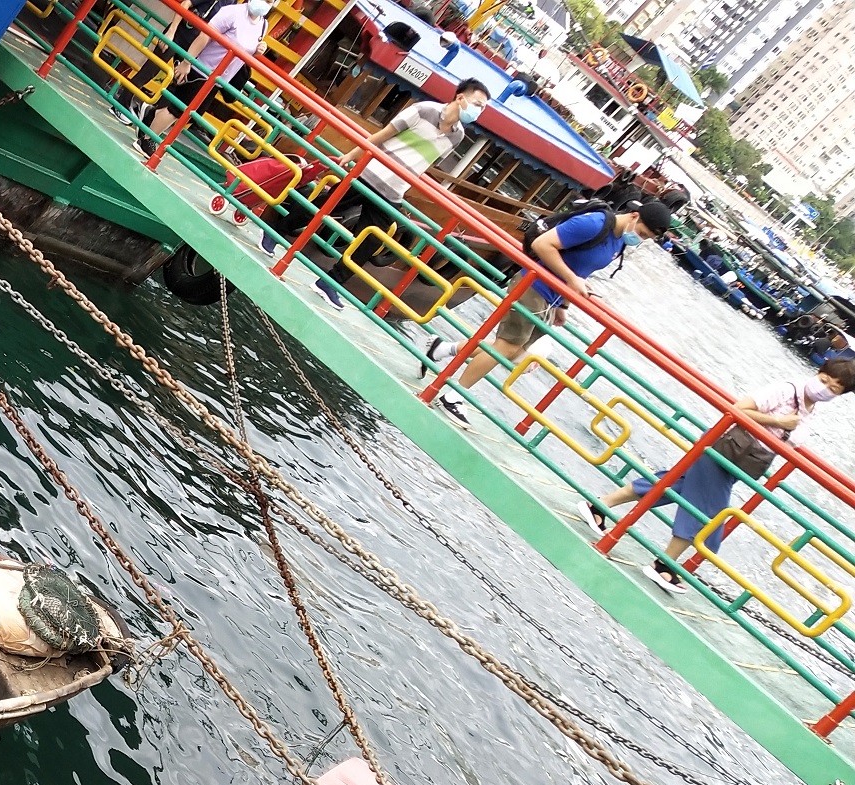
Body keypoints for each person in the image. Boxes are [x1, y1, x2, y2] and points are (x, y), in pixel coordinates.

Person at [582, 359, 854, 593]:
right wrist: (779, 422)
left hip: (740, 460)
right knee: (709, 512)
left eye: (834, 388)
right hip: (723, 448)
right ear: (816, 371)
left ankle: (599, 505)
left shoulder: (810, 410)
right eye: (824, 379)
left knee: (673, 485)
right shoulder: (786, 391)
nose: (825, 388)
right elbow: (738, 409)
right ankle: (664, 564)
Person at [421, 200, 673, 425]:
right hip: (533, 285)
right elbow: (544, 244)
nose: (640, 239)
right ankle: (453, 396)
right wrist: (570, 279)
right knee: (507, 346)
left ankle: (442, 349)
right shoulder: (594, 224)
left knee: (514, 350)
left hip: (552, 298)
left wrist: (564, 304)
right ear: (634, 216)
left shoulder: (618, 240)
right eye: (641, 233)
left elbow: (581, 270)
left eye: (646, 238)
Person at [266, 79, 492, 309]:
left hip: (395, 190)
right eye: (477, 104)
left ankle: (331, 282)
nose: (478, 111)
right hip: (369, 173)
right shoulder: (424, 110)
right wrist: (353, 155)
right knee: (325, 206)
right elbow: (384, 134)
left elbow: (426, 161)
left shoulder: (458, 136)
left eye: (482, 108)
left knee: (372, 240)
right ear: (460, 97)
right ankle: (276, 232)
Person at [141, 0, 267, 151]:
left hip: (220, 79)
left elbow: (245, 52)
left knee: (189, 114)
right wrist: (187, 62)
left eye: (270, 1)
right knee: (177, 110)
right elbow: (205, 35)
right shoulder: (233, 12)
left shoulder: (263, 25)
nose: (265, 3)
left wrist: (258, 51)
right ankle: (147, 139)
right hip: (203, 69)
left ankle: (151, 115)